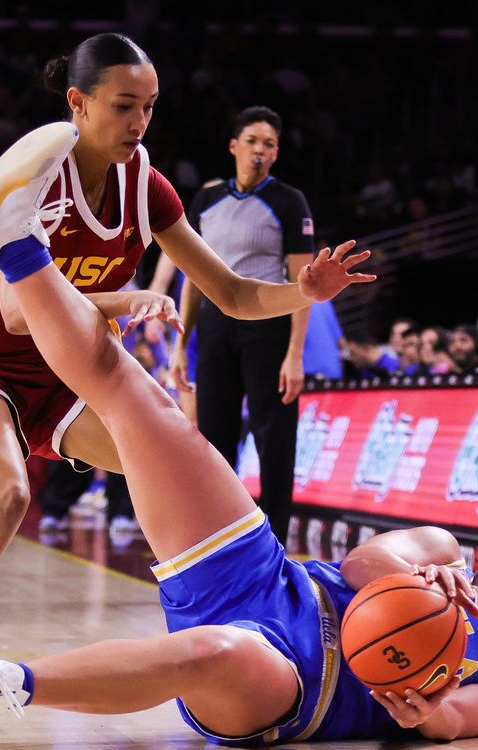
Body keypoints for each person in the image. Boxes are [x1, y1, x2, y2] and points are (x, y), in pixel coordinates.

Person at [0, 139, 478, 745]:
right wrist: (423, 588)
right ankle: (10, 239)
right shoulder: (445, 553)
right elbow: (363, 562)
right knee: (134, 392)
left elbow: (451, 722)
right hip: (269, 577)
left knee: (214, 653)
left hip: (296, 683)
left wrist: (425, 705)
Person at [0, 34, 374, 750]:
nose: (138, 122)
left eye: (150, 108)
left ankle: (214, 623)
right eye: (124, 106)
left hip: (62, 379)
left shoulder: (147, 187)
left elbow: (229, 291)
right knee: (4, 496)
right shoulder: (40, 179)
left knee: (176, 470)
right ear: (77, 102)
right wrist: (125, 301)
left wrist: (299, 292)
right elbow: (10, 314)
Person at [169, 106, 315, 543]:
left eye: (269, 144)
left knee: (274, 437)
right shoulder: (206, 201)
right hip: (215, 325)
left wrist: (294, 353)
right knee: (214, 436)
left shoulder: (290, 202)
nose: (260, 150)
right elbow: (192, 276)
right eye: (252, 141)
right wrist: (181, 343)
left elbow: (304, 284)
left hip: (267, 323)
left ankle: (274, 540)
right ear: (234, 146)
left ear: (276, 154)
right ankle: (218, 535)